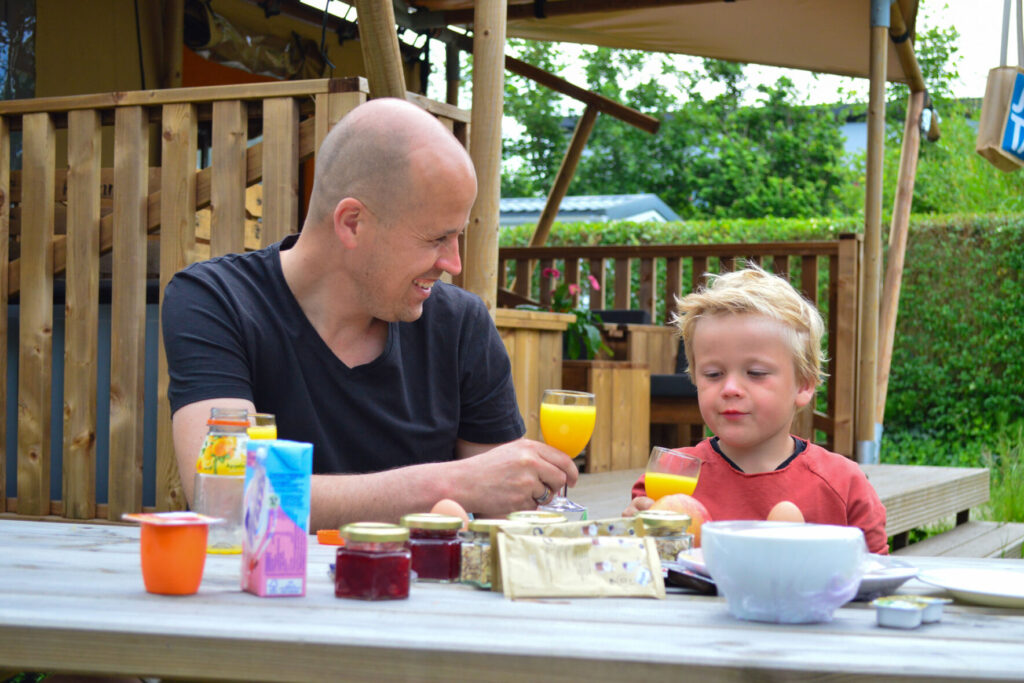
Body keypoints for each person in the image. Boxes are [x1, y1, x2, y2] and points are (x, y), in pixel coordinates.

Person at [162, 98, 576, 531]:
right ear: (352, 222)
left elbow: (508, 511)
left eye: (458, 236)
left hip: (423, 597)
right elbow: (228, 497)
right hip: (265, 595)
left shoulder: (460, 325)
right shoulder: (216, 301)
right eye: (438, 237)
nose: (453, 263)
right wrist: (449, 483)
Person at [624, 264, 888, 554]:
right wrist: (631, 539)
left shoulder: (843, 484)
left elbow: (875, 578)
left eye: (756, 372)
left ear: (803, 386)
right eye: (713, 374)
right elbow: (642, 572)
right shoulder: (670, 477)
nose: (730, 388)